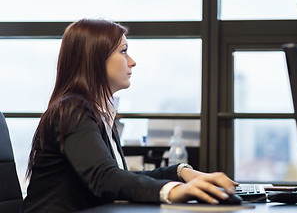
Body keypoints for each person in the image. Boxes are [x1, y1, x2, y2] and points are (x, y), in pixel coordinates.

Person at [20, 19, 237, 213]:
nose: (132, 61)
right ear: (95, 58)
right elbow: (104, 178)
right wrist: (174, 191)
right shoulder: (72, 110)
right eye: (123, 51)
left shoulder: (98, 112)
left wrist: (181, 173)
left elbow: (120, 176)